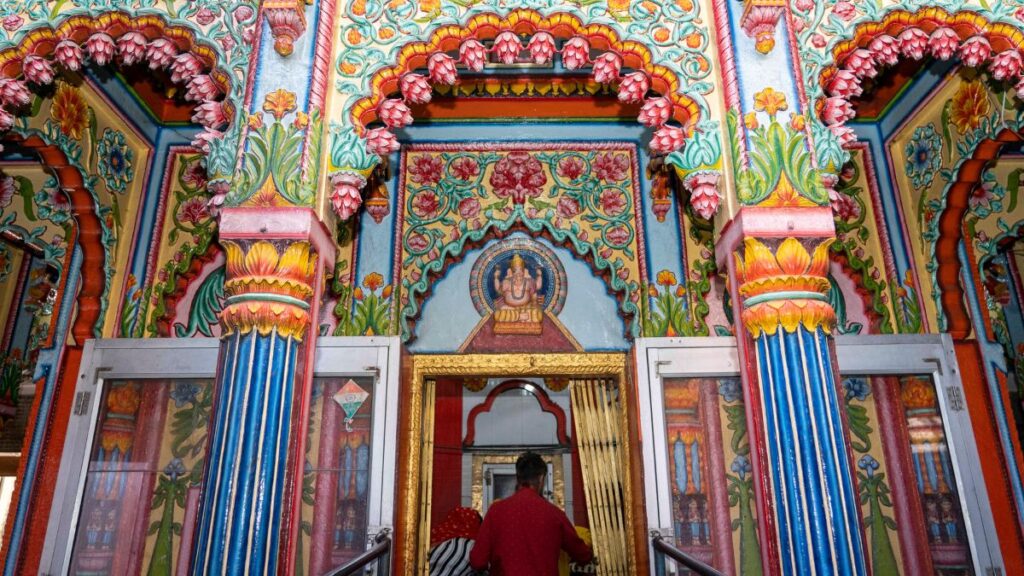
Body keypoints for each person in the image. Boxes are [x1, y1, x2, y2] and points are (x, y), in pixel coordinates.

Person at [469, 452, 594, 576]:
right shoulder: (555, 514)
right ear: (541, 478)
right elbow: (582, 555)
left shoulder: (495, 511)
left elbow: (477, 561)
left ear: (518, 478)